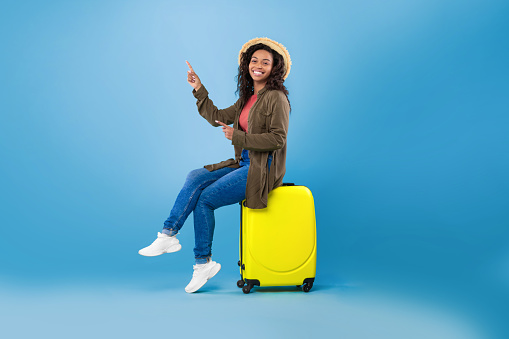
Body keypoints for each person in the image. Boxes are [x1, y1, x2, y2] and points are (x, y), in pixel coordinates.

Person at [138, 37, 292, 293]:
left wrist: (238, 136)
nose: (259, 66)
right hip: (242, 162)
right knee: (196, 176)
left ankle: (202, 264)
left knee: (205, 199)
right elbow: (218, 117)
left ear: (274, 68)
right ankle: (168, 235)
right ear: (247, 65)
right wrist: (199, 88)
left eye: (266, 62)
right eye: (254, 61)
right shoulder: (248, 98)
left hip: (260, 169)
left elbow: (277, 139)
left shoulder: (277, 98)